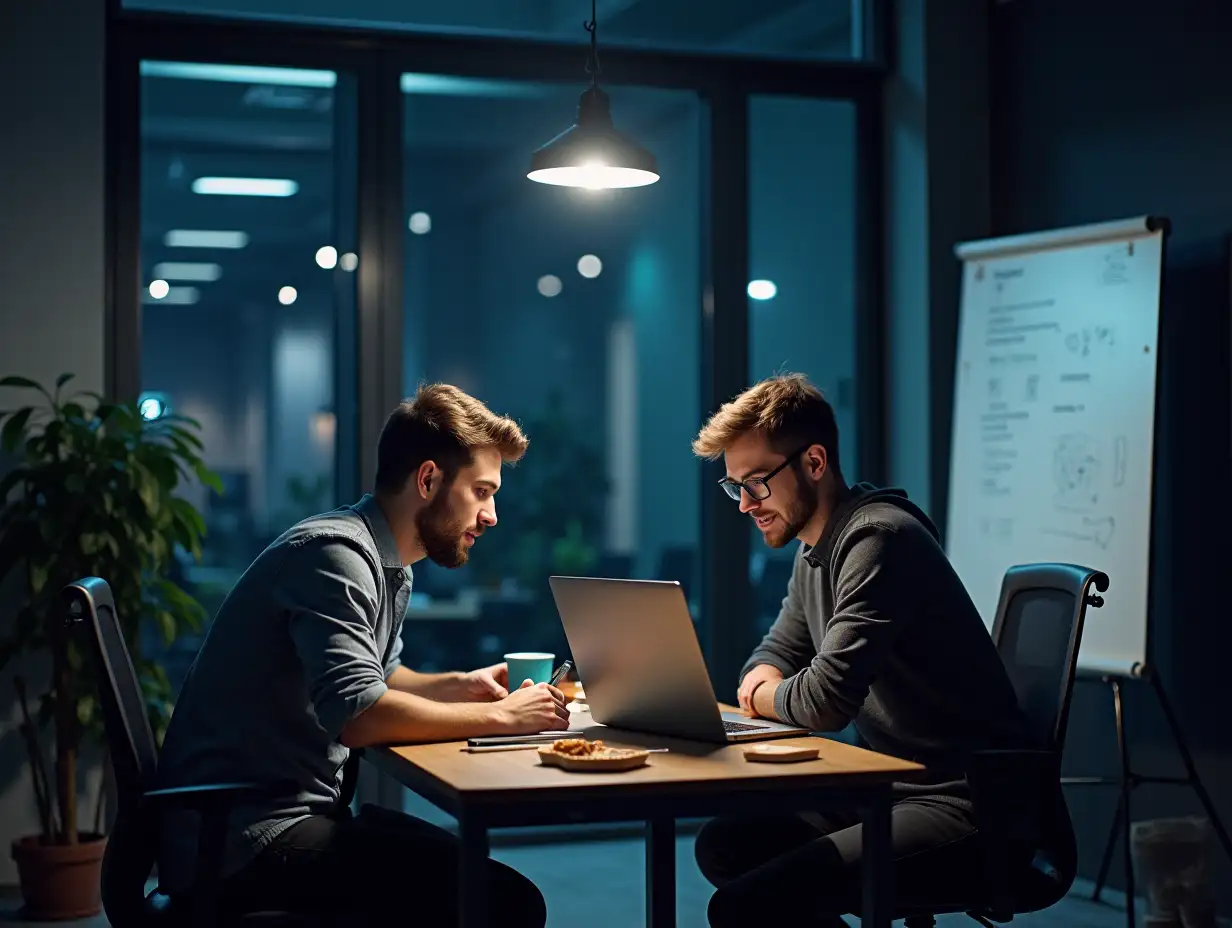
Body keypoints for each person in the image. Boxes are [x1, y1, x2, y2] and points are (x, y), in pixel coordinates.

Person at [156, 383, 570, 926]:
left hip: (278, 816)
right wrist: (501, 717)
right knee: (502, 902)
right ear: (428, 479)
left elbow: (383, 676)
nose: (492, 515)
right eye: (482, 491)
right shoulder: (337, 556)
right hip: (241, 841)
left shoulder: (385, 562)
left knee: (481, 880)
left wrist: (459, 685)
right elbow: (358, 715)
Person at [689, 373, 1076, 927]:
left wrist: (766, 691)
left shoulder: (879, 539)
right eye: (735, 488)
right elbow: (777, 648)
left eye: (755, 484)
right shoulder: (812, 550)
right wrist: (767, 680)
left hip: (967, 804)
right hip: (887, 785)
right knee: (724, 845)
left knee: (744, 907)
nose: (745, 506)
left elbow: (825, 701)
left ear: (814, 462)